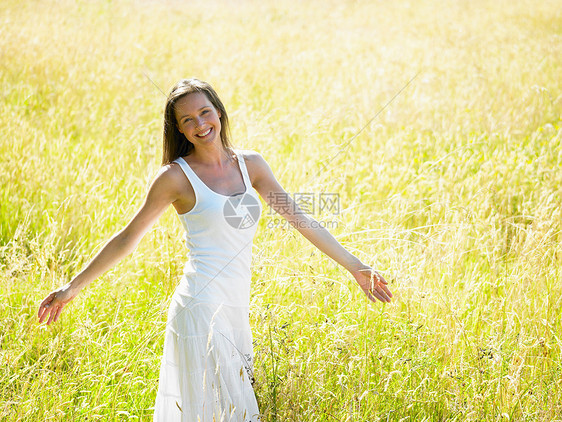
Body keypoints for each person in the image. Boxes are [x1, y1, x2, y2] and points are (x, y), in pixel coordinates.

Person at [37, 78, 393, 421]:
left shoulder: (250, 165)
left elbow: (299, 218)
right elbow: (128, 238)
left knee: (226, 410)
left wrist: (354, 265)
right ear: (178, 129)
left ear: (219, 112)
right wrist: (73, 287)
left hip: (236, 307)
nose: (200, 124)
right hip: (200, 306)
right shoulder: (175, 177)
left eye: (205, 112)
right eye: (187, 120)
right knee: (225, 410)